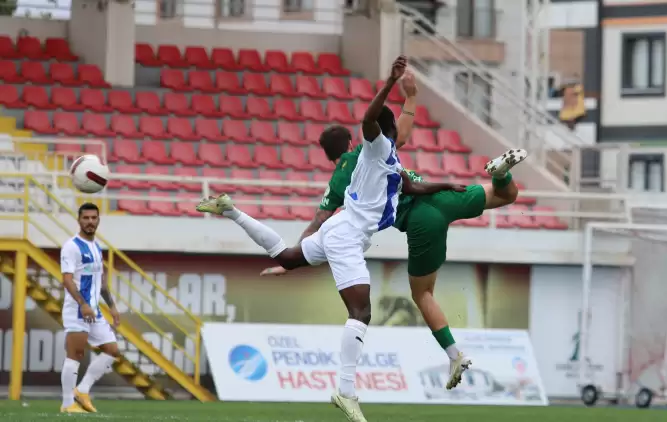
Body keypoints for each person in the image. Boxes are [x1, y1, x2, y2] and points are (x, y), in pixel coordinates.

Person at [196, 56, 464, 422]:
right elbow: (369, 120)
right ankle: (347, 391)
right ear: (385, 131)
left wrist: (445, 183)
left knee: (288, 257)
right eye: (394, 126)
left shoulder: (390, 158)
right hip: (348, 236)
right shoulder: (375, 146)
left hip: (338, 230)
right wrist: (388, 83)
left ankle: (229, 209)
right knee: (361, 312)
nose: (399, 130)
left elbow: (411, 185)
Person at [260, 73, 527, 391]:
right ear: (350, 142)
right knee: (506, 196)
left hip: (420, 219)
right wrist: (411, 96)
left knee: (422, 293)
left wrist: (291, 257)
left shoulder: (343, 177)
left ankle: (454, 355)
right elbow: (402, 134)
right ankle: (498, 173)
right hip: (440, 195)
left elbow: (320, 220)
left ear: (331, 156)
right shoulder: (376, 149)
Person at [59, 203, 121, 414]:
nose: (90, 222)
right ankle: (67, 403)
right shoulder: (72, 246)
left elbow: (101, 281)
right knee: (75, 354)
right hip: (77, 309)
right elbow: (67, 280)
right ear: (79, 220)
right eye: (86, 218)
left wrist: (111, 306)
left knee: (112, 350)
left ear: (98, 220)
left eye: (94, 218)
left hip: (94, 310)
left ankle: (82, 390)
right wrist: (83, 304)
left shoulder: (96, 247)